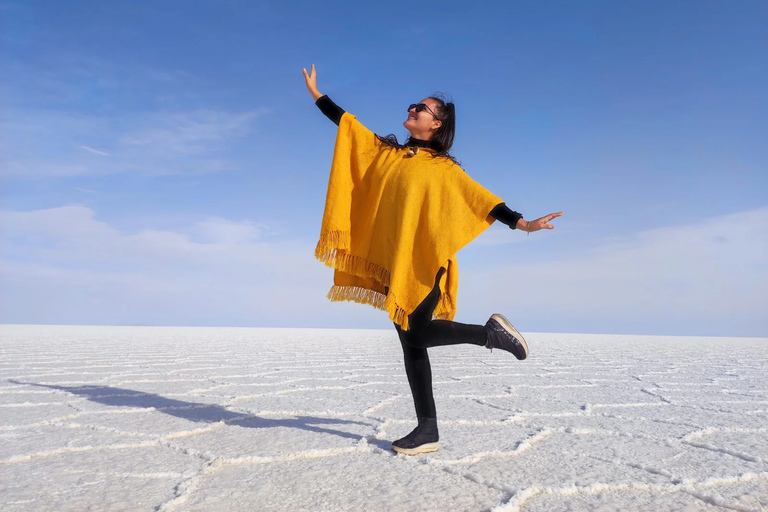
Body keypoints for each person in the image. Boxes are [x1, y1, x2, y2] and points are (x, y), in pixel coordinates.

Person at [303, 64, 562, 455]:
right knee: (412, 345)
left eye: (420, 108)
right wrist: (319, 96)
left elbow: (483, 201)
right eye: (413, 105)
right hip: (395, 262)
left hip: (424, 263)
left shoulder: (443, 170)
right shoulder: (388, 154)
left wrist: (523, 224)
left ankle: (491, 334)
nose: (412, 110)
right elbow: (350, 130)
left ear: (436, 124)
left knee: (418, 335)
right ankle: (428, 431)